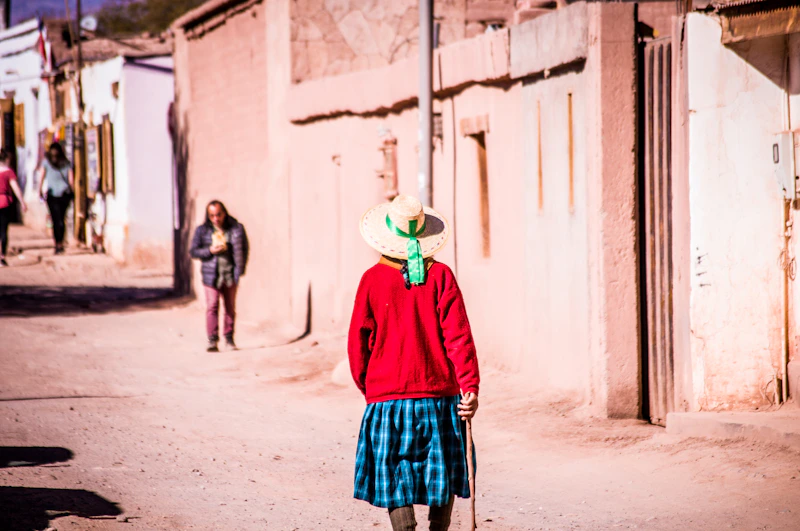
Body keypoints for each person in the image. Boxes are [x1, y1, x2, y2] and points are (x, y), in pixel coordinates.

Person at [348, 194, 480, 531]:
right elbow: (459, 336)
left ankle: (404, 528)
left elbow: (357, 345)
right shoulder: (441, 275)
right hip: (439, 397)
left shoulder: (371, 279)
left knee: (394, 471)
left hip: (388, 399)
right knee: (442, 468)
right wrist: (469, 387)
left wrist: (371, 387)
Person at [190, 200, 249, 352]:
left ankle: (229, 339)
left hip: (229, 274)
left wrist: (240, 270)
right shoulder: (202, 231)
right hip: (211, 276)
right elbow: (194, 251)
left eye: (218, 214)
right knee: (212, 306)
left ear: (224, 213)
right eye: (212, 215)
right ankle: (212, 340)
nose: (216, 218)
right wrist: (210, 250)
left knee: (230, 307)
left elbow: (244, 249)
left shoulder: (236, 229)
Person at [37, 142, 74, 255]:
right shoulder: (66, 163)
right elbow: (71, 180)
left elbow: (41, 176)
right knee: (61, 219)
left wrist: (39, 190)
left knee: (55, 220)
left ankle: (57, 244)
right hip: (64, 194)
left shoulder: (46, 162)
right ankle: (60, 243)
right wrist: (72, 192)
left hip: (52, 195)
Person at [0, 149, 28, 267]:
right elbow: (15, 188)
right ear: (7, 159)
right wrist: (22, 202)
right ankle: (2, 257)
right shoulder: (9, 172)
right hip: (4, 202)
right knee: (3, 230)